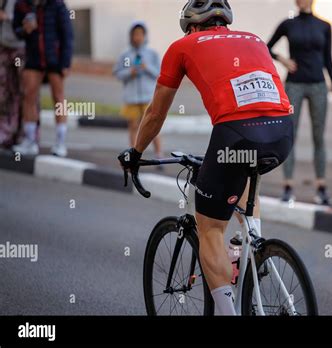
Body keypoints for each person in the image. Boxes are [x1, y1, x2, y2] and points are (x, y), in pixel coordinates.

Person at [118, 0, 293, 315]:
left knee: (210, 228)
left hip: (236, 134)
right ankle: (254, 247)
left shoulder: (182, 46)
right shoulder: (253, 39)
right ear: (223, 21)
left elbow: (156, 113)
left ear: (192, 26)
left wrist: (137, 152)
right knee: (245, 177)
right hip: (282, 133)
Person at [267, 0, 332, 205]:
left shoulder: (324, 26)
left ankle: (321, 186)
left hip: (318, 86)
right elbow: (266, 47)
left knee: (318, 136)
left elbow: (328, 59)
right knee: (289, 134)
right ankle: (288, 185)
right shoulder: (288, 24)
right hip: (294, 86)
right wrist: (282, 59)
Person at [12, 0, 73, 157]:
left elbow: (68, 35)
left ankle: (60, 143)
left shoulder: (58, 5)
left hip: (55, 58)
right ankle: (30, 141)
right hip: (33, 58)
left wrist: (66, 63)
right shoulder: (22, 5)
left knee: (58, 98)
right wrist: (24, 30)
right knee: (29, 96)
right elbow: (16, 30)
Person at [113, 21, 162, 157]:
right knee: (133, 127)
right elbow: (117, 73)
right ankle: (133, 156)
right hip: (131, 97)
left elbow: (159, 73)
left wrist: (147, 67)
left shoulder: (152, 54)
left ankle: (159, 153)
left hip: (148, 97)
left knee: (152, 127)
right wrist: (130, 72)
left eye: (140, 34)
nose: (137, 37)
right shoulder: (125, 54)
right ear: (131, 36)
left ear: (145, 36)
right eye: (135, 34)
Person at [0, 0, 25, 149]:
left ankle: (24, 134)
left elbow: (31, 19)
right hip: (3, 46)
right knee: (4, 92)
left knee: (24, 92)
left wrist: (7, 17)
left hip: (20, 48)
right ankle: (6, 132)